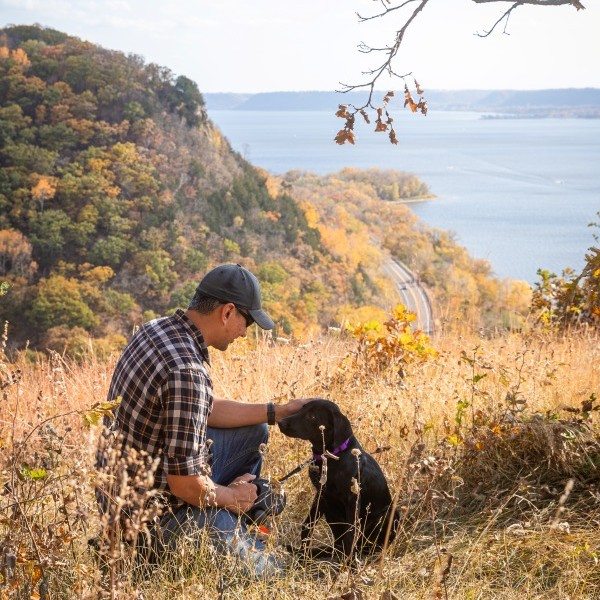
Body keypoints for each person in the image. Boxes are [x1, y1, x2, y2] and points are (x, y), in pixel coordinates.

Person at [95, 264, 306, 578]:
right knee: (274, 575)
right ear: (227, 312)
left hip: (127, 489)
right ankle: (230, 529)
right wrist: (231, 497)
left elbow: (201, 409)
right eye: (246, 322)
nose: (245, 333)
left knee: (255, 431)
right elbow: (184, 485)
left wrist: (277, 411)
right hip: (149, 519)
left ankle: (239, 519)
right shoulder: (186, 371)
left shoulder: (158, 330)